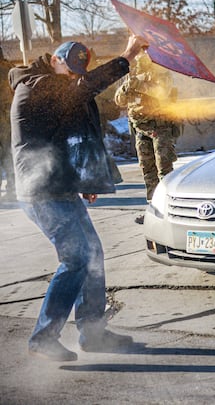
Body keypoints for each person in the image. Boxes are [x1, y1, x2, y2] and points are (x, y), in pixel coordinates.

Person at [10, 34, 149, 361]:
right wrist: (126, 56)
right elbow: (84, 90)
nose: (73, 78)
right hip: (41, 191)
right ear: (55, 60)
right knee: (76, 258)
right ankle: (45, 336)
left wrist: (84, 177)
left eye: (77, 73)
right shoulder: (35, 86)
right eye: (69, 71)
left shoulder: (56, 87)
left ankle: (92, 331)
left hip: (59, 187)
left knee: (93, 254)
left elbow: (69, 135)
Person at [114, 51, 179, 222]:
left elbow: (162, 93)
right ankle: (154, 209)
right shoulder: (132, 76)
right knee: (147, 170)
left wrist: (138, 84)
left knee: (164, 170)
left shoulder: (161, 73)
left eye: (142, 59)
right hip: (141, 129)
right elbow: (119, 100)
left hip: (160, 128)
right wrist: (127, 87)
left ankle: (170, 209)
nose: (138, 63)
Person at [0, 45, 15, 201]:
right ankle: (12, 188)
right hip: (10, 115)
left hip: (3, 116)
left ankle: (12, 188)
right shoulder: (10, 69)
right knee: (8, 153)